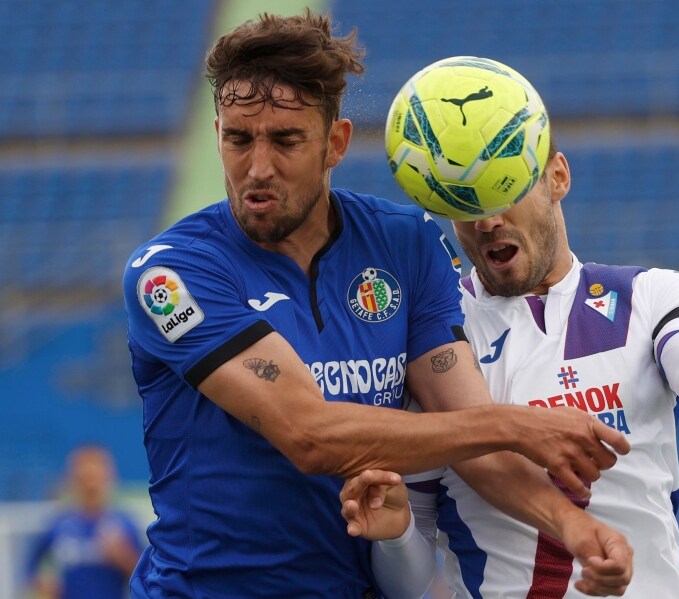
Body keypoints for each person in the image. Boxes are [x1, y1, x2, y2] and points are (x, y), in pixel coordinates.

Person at [121, 11, 634, 598]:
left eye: (286, 141)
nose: (257, 168)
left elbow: (469, 439)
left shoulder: (404, 243)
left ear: (335, 143)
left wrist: (578, 529)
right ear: (217, 133)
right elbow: (309, 435)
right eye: (238, 138)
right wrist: (515, 425)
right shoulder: (172, 272)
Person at [341, 133, 679, 597]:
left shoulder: (651, 295)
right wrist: (397, 535)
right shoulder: (433, 344)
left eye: (506, 189)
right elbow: (411, 581)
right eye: (466, 202)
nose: (488, 220)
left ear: (557, 176)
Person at [24, 445, 144, 599]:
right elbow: (29, 567)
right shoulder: (59, 525)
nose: (90, 485)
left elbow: (146, 576)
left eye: (96, 478)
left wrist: (122, 556)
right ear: (73, 480)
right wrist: (44, 585)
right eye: (84, 478)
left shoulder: (124, 524)